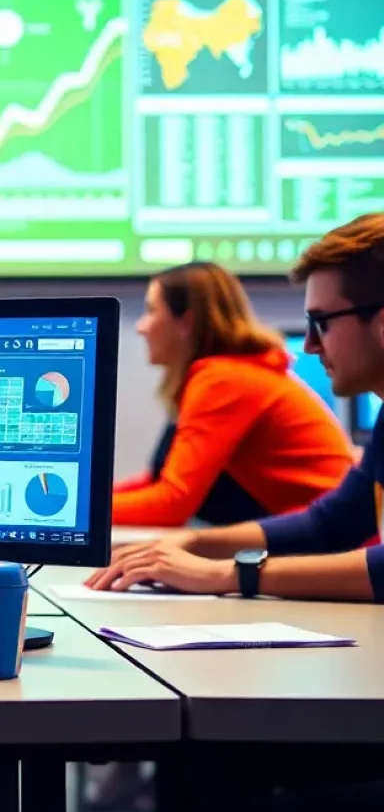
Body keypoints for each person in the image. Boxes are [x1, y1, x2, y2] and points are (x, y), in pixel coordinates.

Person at [90, 212, 384, 601]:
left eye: (322, 322)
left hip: (333, 568)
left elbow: (172, 500)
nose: (310, 346)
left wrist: (226, 572)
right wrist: (192, 546)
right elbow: (330, 521)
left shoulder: (225, 378)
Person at [112, 260, 352, 527]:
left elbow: (172, 503)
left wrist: (74, 515)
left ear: (186, 322)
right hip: (312, 536)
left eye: (151, 311)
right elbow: (160, 481)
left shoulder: (224, 381)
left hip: (328, 545)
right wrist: (85, 505)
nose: (140, 326)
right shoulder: (226, 375)